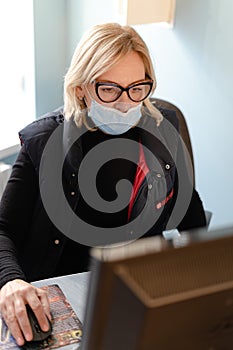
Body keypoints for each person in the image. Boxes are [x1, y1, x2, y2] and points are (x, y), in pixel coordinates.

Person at [0, 22, 206, 345]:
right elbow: (3, 229)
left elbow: (190, 212)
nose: (126, 103)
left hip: (133, 298)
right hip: (59, 303)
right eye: (109, 89)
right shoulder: (43, 142)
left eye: (138, 88)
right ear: (81, 87)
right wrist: (9, 281)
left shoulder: (163, 131)